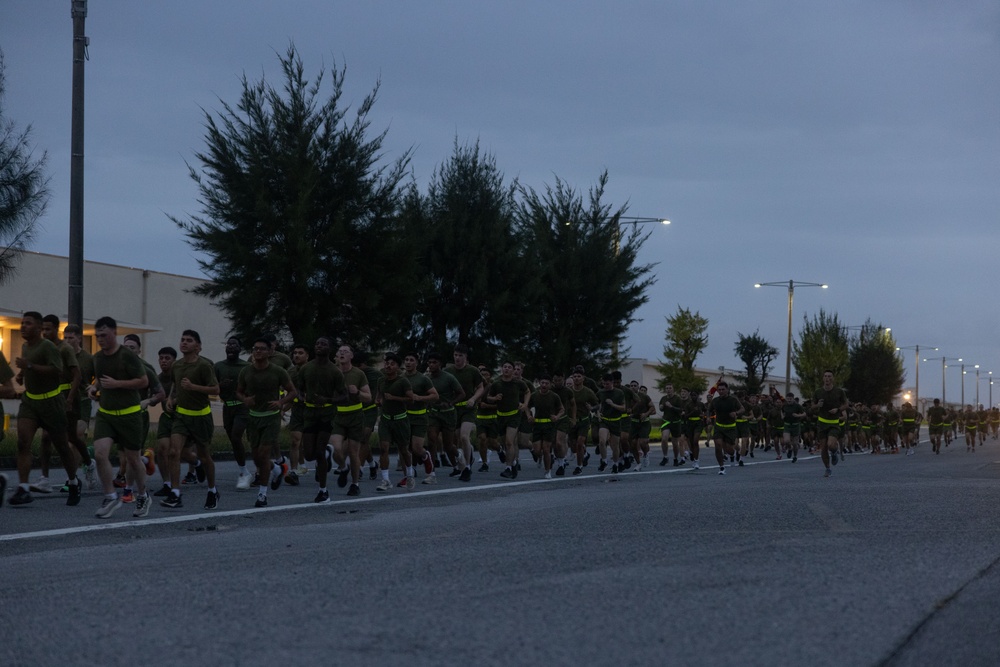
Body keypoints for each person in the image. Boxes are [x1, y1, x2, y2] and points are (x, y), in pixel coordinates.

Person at [8, 312, 81, 507]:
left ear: (39, 328)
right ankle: (23, 488)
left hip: (51, 403)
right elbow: (27, 366)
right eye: (22, 323)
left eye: (28, 324)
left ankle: (73, 482)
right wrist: (22, 375)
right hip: (30, 402)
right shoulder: (25, 346)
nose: (23, 326)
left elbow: (56, 371)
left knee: (62, 447)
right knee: (23, 442)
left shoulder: (48, 347)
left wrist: (29, 366)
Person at [88, 317, 152, 518]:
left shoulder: (127, 357)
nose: (100, 339)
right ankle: (110, 496)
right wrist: (94, 387)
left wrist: (118, 384)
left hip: (129, 415)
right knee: (99, 453)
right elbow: (100, 378)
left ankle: (142, 495)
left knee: (133, 460)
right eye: (97, 336)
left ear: (114, 333)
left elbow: (143, 381)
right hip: (106, 415)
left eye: (104, 335)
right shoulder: (97, 358)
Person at [161, 330, 220, 509]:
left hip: (201, 417)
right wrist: (171, 398)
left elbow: (215, 390)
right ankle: (175, 494)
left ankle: (212, 490)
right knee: (173, 452)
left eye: (189, 340)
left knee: (204, 455)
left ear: (197, 346)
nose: (184, 343)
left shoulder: (204, 366)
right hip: (181, 416)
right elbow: (175, 385)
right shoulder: (177, 366)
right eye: (182, 340)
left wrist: (194, 387)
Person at [237, 338, 297, 507]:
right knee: (257, 458)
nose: (258, 352)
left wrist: (280, 403)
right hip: (253, 416)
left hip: (271, 417)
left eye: (262, 349)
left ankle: (262, 494)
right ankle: (277, 469)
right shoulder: (246, 372)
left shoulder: (278, 371)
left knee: (263, 455)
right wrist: (245, 399)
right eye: (255, 349)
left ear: (270, 352)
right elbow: (239, 392)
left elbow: (292, 392)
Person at [298, 336, 347, 503]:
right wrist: (302, 396)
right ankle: (328, 451)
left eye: (324, 344)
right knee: (309, 455)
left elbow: (344, 395)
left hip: (327, 414)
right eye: (317, 343)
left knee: (318, 452)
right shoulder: (306, 368)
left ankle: (323, 491)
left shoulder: (334, 371)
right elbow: (299, 388)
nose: (320, 346)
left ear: (329, 349)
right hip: (309, 414)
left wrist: (328, 400)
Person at [329, 344, 371, 496]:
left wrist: (357, 392)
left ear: (351, 356)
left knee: (354, 453)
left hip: (355, 416)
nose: (342, 354)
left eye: (345, 352)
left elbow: (368, 397)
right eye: (339, 351)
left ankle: (355, 484)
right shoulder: (332, 373)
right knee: (335, 448)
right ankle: (342, 467)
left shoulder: (358, 374)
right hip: (337, 416)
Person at [444, 344, 485, 481]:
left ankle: (467, 467)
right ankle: (469, 453)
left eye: (460, 355)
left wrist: (473, 399)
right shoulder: (448, 371)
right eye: (455, 355)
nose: (457, 358)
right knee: (456, 439)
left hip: (468, 408)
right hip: (454, 409)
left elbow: (481, 388)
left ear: (466, 357)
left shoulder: (473, 371)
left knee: (463, 436)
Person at [215, 337, 252, 489]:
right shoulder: (218, 366)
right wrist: (219, 385)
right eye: (228, 344)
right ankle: (269, 467)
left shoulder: (247, 366)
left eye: (234, 345)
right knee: (233, 440)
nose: (230, 347)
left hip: (242, 407)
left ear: (240, 349)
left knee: (237, 436)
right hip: (227, 407)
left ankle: (244, 472)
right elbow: (210, 386)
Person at [374, 352, 413, 491]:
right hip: (385, 420)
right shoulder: (381, 381)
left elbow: (411, 399)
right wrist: (378, 401)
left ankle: (409, 475)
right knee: (383, 449)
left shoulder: (403, 381)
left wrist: (395, 398)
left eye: (392, 364)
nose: (388, 366)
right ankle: (385, 480)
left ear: (398, 367)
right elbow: (379, 396)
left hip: (400, 420)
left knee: (403, 450)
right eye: (386, 363)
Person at [425, 351, 466, 480]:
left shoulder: (448, 377)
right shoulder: (427, 379)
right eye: (430, 363)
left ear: (440, 364)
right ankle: (431, 471)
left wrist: (451, 403)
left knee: (448, 445)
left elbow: (461, 394)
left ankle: (458, 457)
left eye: (434, 363)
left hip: (448, 414)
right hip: (433, 413)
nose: (431, 365)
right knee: (432, 440)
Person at [402, 352, 439, 485]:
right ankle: (409, 476)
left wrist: (420, 398)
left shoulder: (423, 379)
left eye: (411, 360)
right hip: (404, 417)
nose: (408, 362)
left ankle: (431, 473)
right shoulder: (400, 378)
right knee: (404, 448)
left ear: (416, 363)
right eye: (406, 359)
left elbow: (435, 396)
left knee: (417, 448)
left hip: (419, 417)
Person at [812, 370, 849, 477]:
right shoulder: (818, 392)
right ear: (823, 378)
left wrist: (838, 410)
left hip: (834, 423)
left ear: (832, 378)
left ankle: (834, 452)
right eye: (825, 376)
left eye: (829, 376)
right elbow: (812, 407)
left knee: (830, 445)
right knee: (823, 448)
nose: (827, 378)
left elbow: (846, 404)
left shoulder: (839, 391)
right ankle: (827, 468)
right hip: (822, 423)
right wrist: (817, 405)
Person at [707, 381, 745, 475]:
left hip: (730, 428)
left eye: (723, 389)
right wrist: (708, 417)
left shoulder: (733, 399)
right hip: (719, 427)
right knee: (718, 445)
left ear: (727, 390)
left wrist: (736, 413)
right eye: (719, 390)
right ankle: (721, 467)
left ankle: (733, 454)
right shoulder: (715, 401)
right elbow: (709, 409)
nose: (721, 391)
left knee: (729, 449)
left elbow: (742, 409)